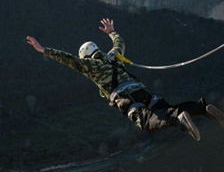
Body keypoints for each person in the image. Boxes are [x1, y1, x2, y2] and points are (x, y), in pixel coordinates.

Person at [27, 18, 224, 142]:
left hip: (126, 98)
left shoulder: (90, 66)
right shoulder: (113, 56)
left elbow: (68, 59)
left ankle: (179, 120)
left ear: (86, 56)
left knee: (148, 123)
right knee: (166, 109)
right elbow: (120, 43)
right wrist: (111, 31)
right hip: (142, 91)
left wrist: (43, 50)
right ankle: (202, 108)